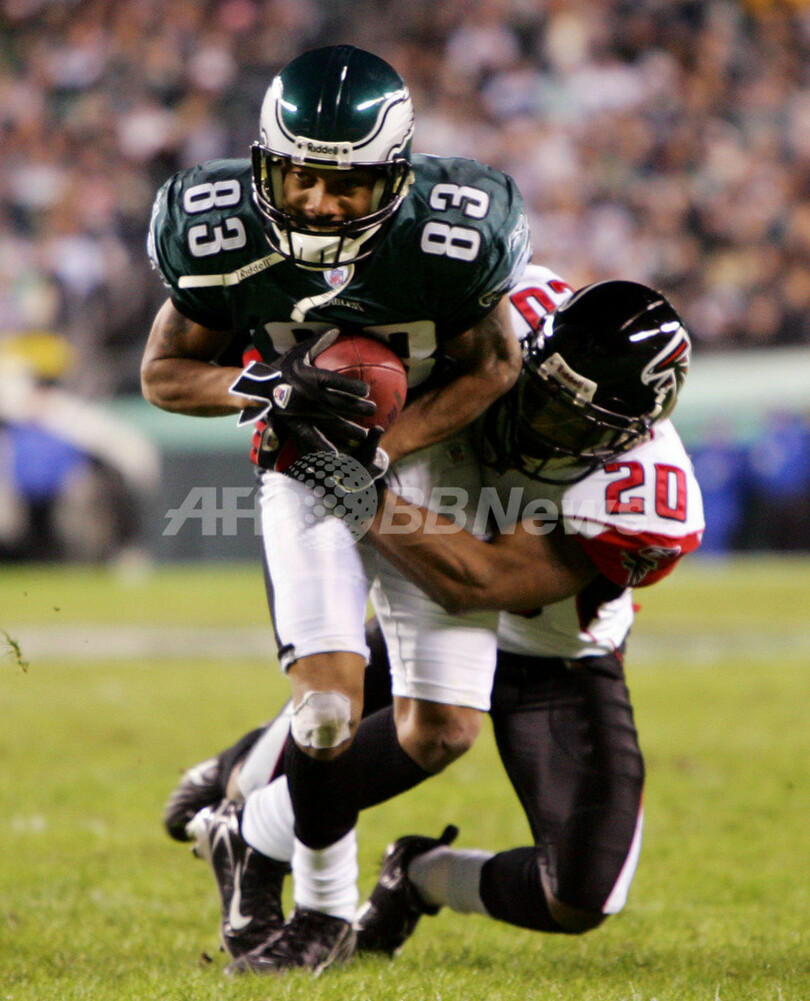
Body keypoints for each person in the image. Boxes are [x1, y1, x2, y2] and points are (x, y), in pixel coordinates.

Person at [163, 274, 704, 965]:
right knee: (343, 713)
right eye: (539, 394)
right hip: (429, 562)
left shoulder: (645, 493)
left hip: (550, 653)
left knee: (580, 896)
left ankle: (416, 875)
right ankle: (244, 796)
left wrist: (347, 477)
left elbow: (480, 581)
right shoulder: (501, 312)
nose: (538, 423)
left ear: (626, 432)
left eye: (570, 423)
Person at [142, 44, 531, 971]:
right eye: (300, 177)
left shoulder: (451, 232)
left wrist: (385, 448)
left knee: (443, 732)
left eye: (347, 184)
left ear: (393, 177)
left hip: (432, 467)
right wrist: (258, 386)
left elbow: (495, 365)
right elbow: (163, 372)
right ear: (265, 164)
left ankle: (247, 827)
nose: (318, 203)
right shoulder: (220, 227)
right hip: (302, 464)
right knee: (323, 712)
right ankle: (322, 910)